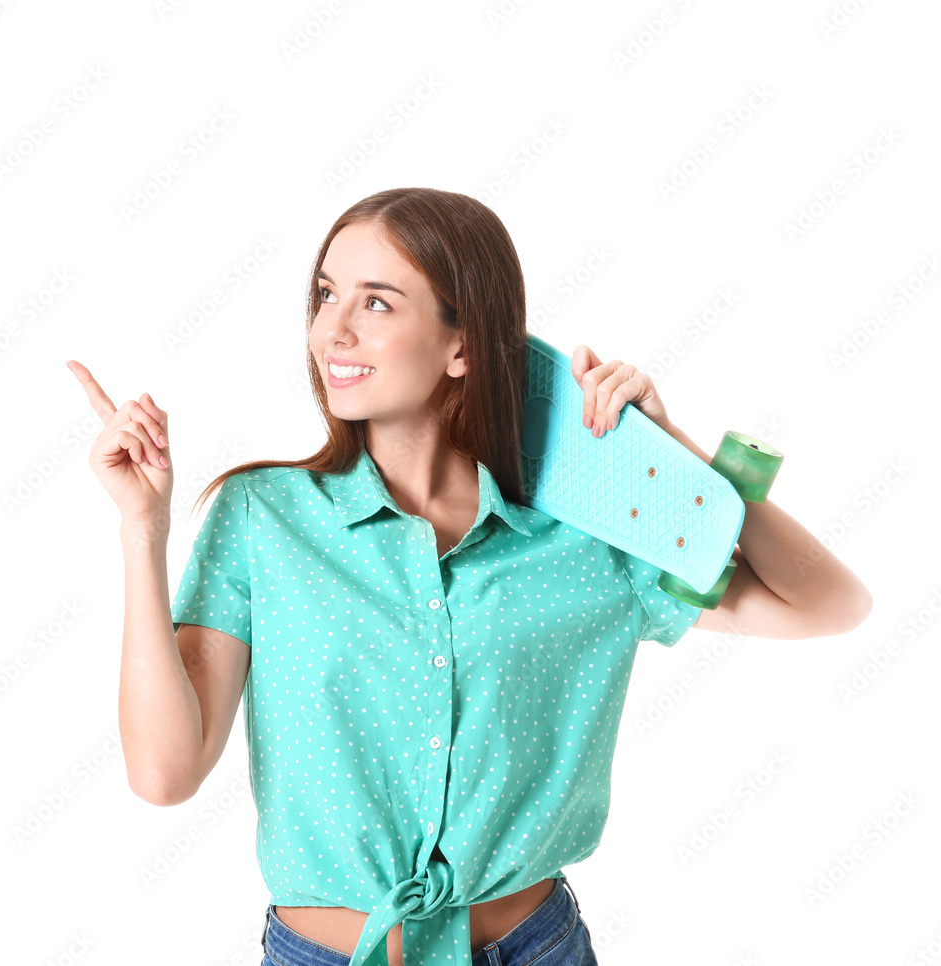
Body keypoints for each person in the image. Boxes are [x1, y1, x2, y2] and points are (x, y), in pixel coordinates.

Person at [68, 187, 873, 966]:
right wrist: (143, 529)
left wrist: (674, 461)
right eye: (325, 295)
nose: (332, 331)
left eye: (377, 302)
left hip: (534, 948)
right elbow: (164, 774)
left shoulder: (585, 540)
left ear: (464, 345)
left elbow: (830, 605)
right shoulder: (262, 520)